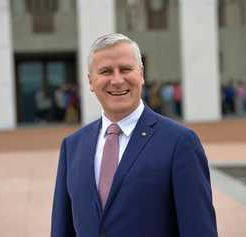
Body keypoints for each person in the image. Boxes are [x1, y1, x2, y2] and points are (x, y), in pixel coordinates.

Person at [51, 33, 218, 237]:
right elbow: (62, 229)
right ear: (91, 81)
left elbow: (198, 230)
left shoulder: (180, 143)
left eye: (125, 69)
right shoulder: (72, 146)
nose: (117, 80)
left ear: (141, 74)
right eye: (105, 71)